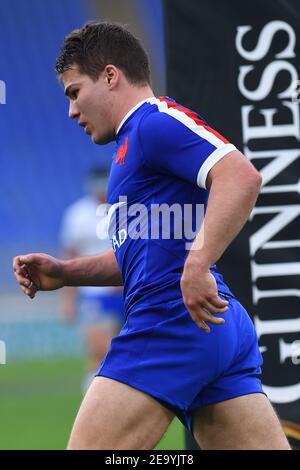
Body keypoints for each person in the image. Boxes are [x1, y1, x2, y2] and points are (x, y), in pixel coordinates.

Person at [13, 21, 290, 450]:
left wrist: (198, 263)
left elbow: (240, 176)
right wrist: (66, 272)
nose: (71, 111)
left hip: (171, 321)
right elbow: (142, 255)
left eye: (74, 92)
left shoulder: (152, 123)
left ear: (109, 76)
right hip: (209, 325)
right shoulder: (131, 147)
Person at [59, 168, 124, 392]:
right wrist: (68, 300)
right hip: (94, 294)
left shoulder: (124, 208)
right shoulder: (77, 215)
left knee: (125, 353)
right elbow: (70, 256)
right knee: (98, 351)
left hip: (127, 292)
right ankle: (94, 400)